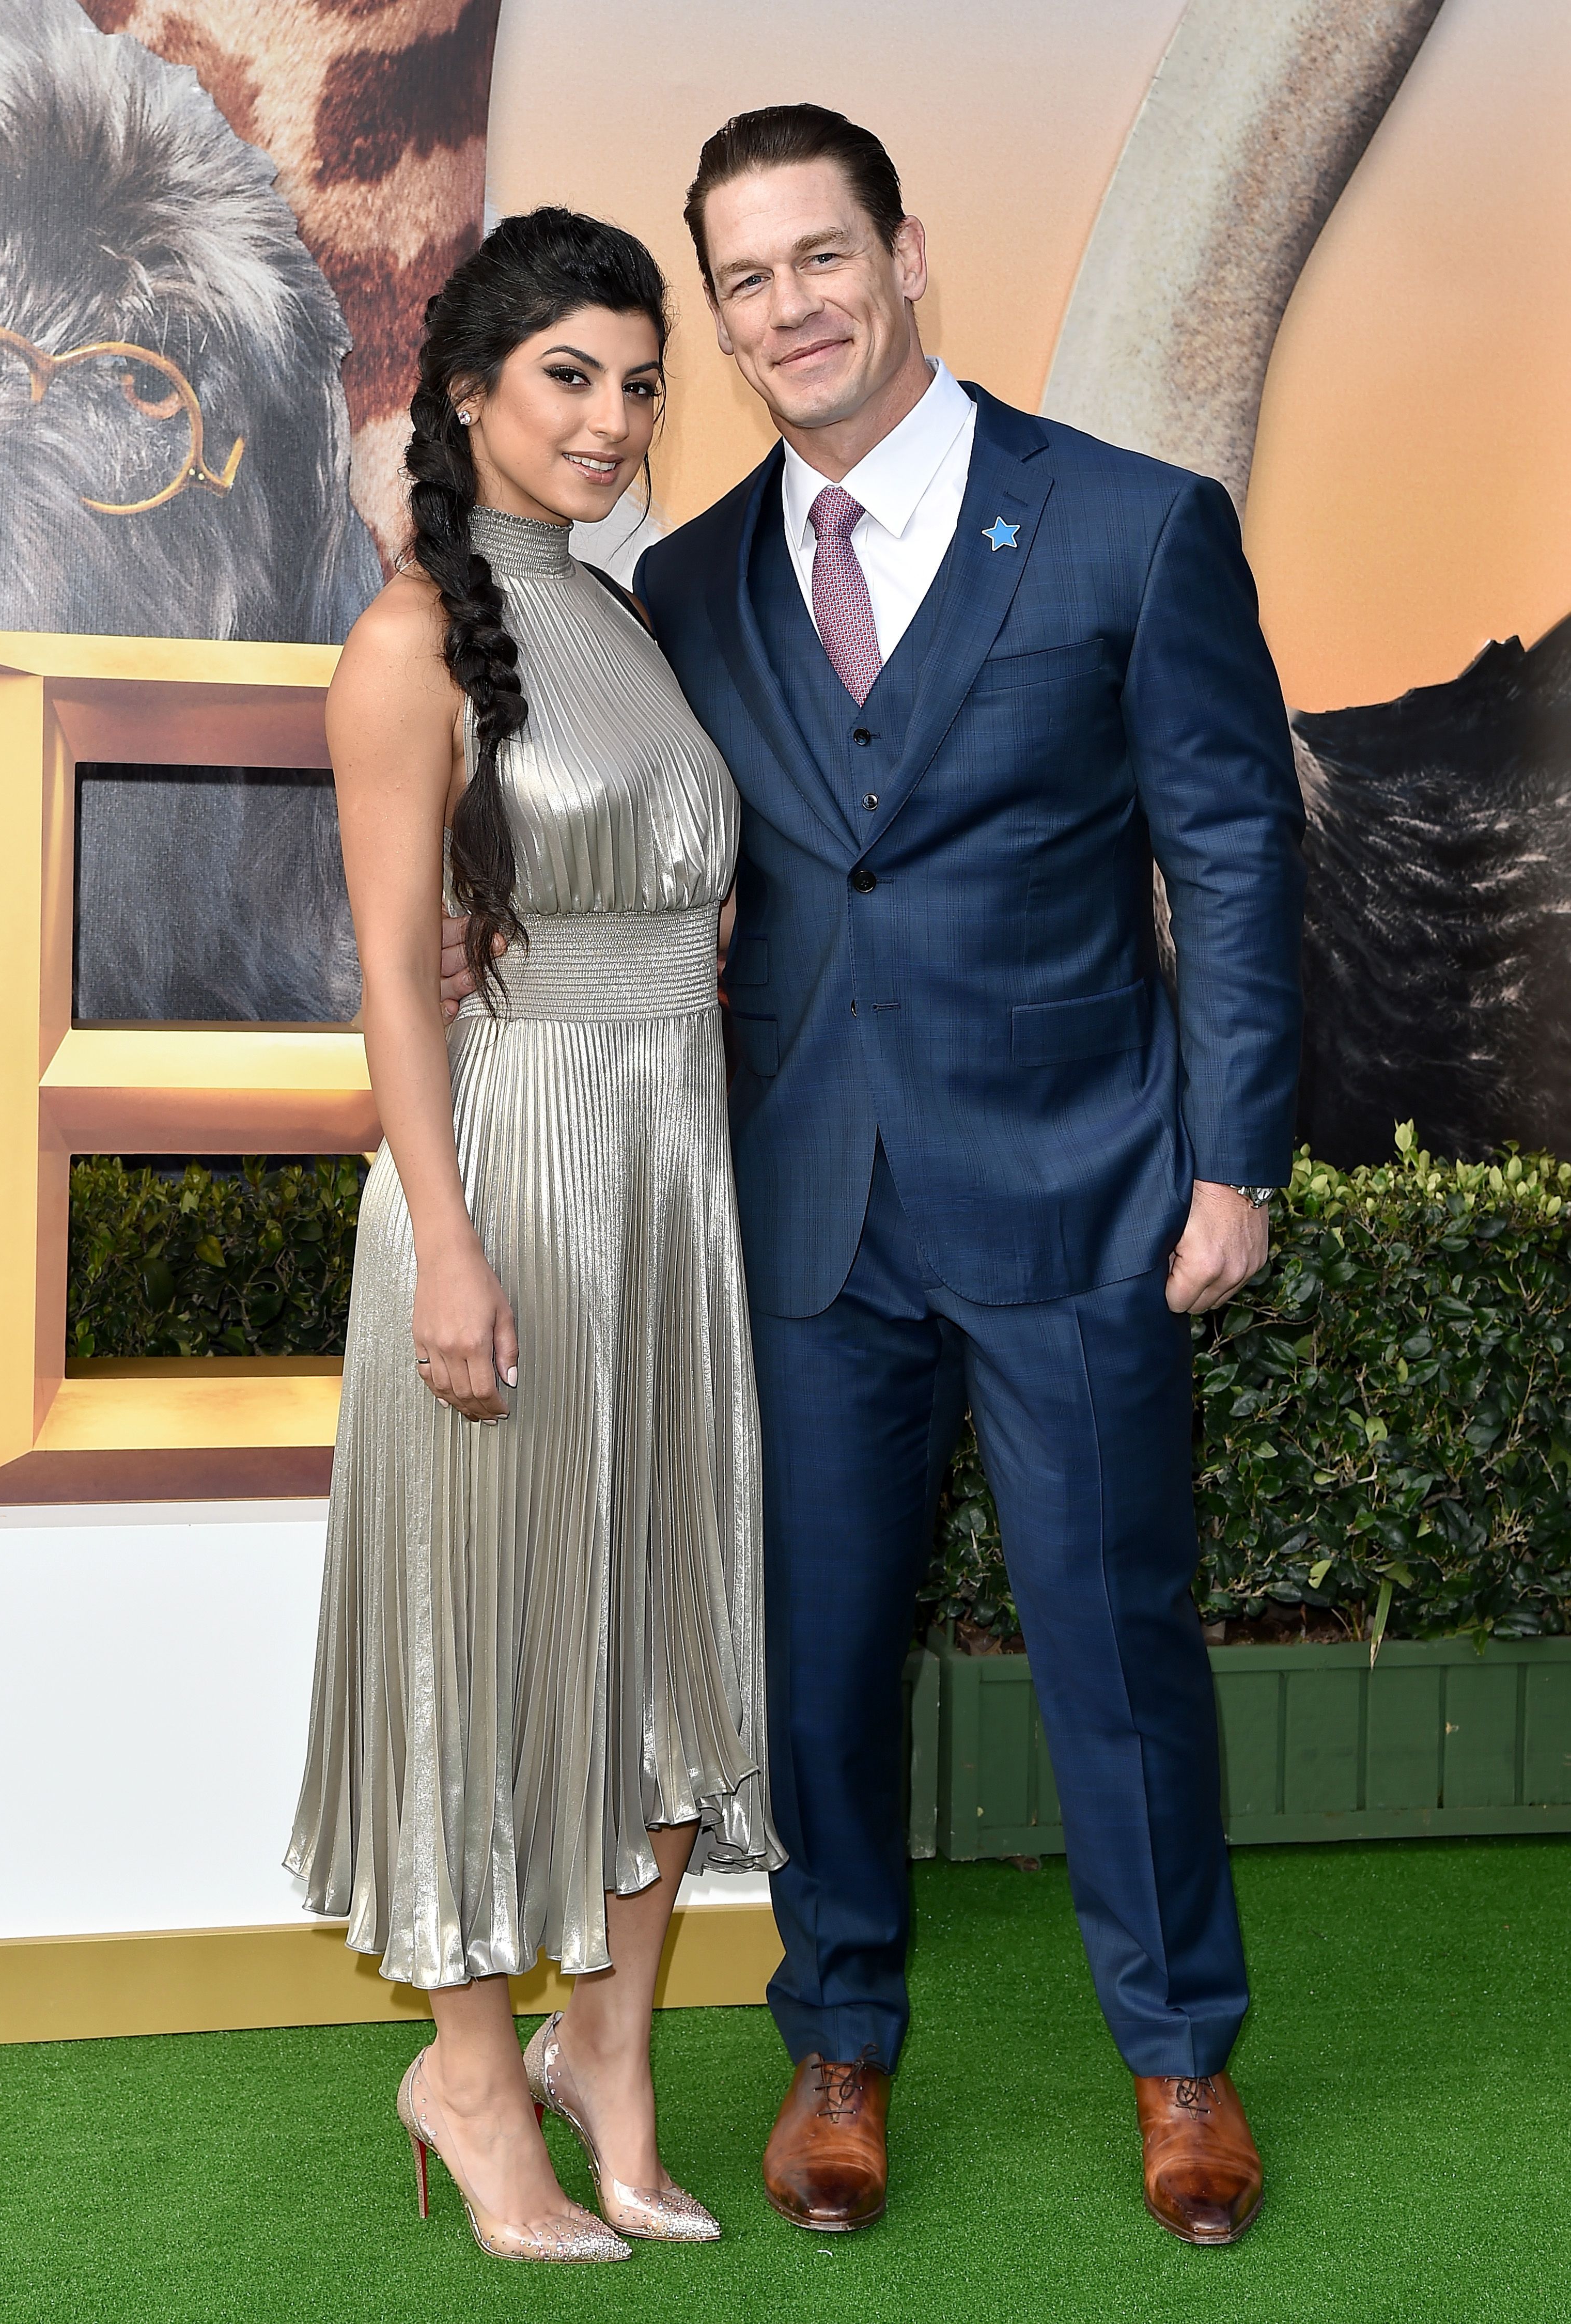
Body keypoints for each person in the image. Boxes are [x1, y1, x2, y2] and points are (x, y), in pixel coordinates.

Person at [632, 106, 1305, 2245]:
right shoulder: (687, 581)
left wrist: (1232, 1162)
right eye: (742, 281)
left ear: (903, 253)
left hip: (1083, 1191)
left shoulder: (1123, 527)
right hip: (803, 1213)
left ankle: (1179, 2065)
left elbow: (1230, 851)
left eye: (818, 258)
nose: (786, 310)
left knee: (1116, 1651)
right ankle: (835, 2041)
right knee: (816, 1656)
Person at [287, 207, 779, 2266]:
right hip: (508, 1189)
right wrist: (457, 1248)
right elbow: (398, 974)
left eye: (640, 378)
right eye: (569, 375)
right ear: (468, 390)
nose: (612, 417)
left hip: (672, 1194)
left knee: (658, 1637)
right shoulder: (407, 634)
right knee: (491, 1657)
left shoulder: (624, 612)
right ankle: (470, 2078)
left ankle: (616, 2059)